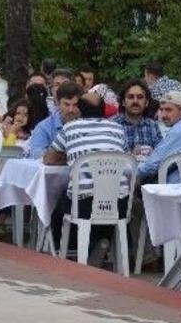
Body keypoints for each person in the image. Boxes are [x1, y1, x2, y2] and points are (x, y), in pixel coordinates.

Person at [44, 92, 129, 263]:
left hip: (83, 204)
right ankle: (99, 246)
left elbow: (49, 159)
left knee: (56, 200)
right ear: (103, 111)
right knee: (101, 202)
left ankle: (65, 252)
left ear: (80, 110)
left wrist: (69, 156)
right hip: (119, 203)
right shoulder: (118, 129)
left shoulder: (70, 128)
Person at [138, 91, 181, 182]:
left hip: (176, 189)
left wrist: (132, 170)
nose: (163, 115)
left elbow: (152, 166)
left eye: (168, 110)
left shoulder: (180, 130)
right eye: (161, 109)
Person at [28, 81, 83, 158]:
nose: (71, 109)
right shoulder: (43, 127)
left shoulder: (88, 123)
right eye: (66, 104)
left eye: (75, 105)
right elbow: (36, 154)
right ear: (58, 103)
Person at [110, 80, 162, 155]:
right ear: (123, 102)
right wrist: (130, 155)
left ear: (146, 103)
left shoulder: (153, 126)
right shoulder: (113, 125)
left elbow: (161, 154)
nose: (135, 101)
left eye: (140, 97)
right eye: (131, 97)